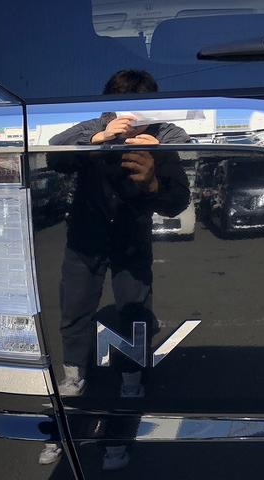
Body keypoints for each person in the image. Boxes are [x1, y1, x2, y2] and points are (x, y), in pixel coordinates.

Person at [48, 69, 191, 397]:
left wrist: (154, 178)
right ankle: (73, 375)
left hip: (132, 237)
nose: (132, 120)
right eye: (123, 110)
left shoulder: (163, 135)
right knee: (75, 306)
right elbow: (53, 153)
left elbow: (178, 200)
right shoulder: (95, 126)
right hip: (85, 236)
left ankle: (132, 379)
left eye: (143, 111)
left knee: (135, 307)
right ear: (110, 107)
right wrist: (97, 140)